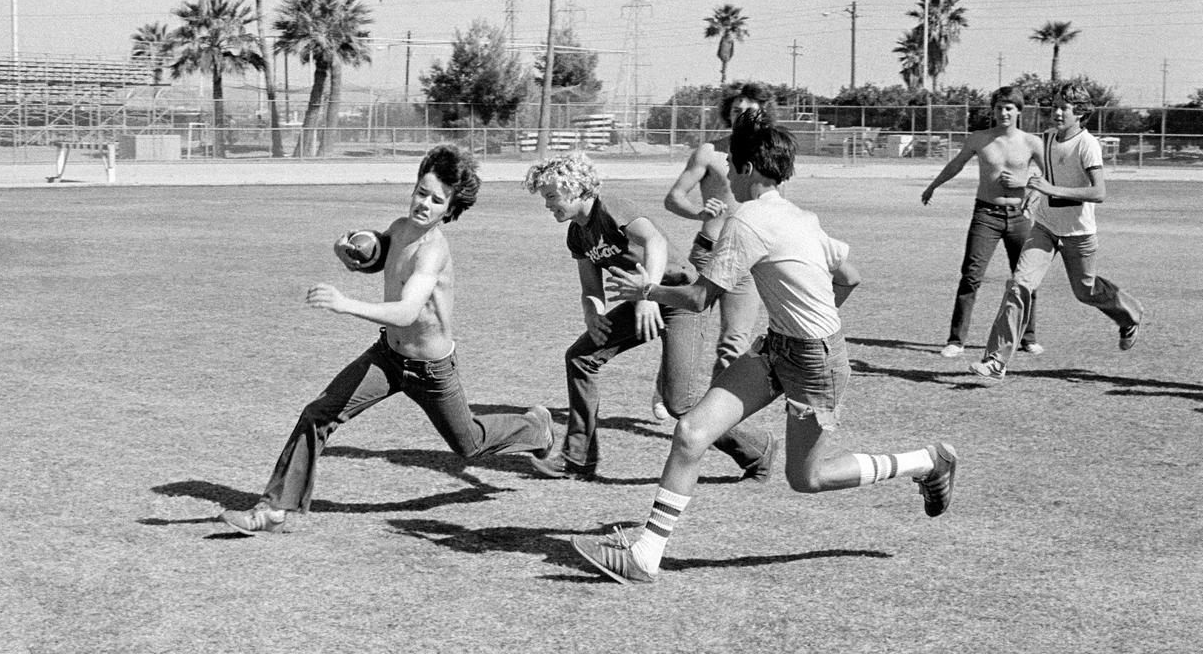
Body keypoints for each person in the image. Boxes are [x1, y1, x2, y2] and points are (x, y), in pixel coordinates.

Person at [570, 111, 958, 584]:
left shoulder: (748, 219)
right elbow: (850, 276)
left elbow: (698, 298)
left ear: (749, 169)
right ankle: (646, 555)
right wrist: (809, 321)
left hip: (814, 363)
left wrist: (645, 292)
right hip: (783, 347)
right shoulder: (800, 215)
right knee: (692, 430)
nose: (726, 174)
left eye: (731, 165)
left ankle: (925, 462)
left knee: (807, 478)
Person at [219, 145, 555, 535]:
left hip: (431, 370)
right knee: (318, 414)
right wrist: (349, 251)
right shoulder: (399, 227)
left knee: (469, 444)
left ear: (450, 208)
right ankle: (274, 509)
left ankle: (536, 430)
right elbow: (377, 257)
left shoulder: (434, 250)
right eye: (421, 191)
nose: (424, 204)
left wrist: (345, 304)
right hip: (388, 358)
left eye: (436, 200)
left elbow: (408, 310)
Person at [522, 152, 775, 482]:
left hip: (679, 297)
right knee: (581, 358)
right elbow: (590, 288)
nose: (547, 205)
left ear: (575, 189)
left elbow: (653, 239)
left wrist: (648, 293)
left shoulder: (610, 206)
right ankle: (577, 458)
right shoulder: (577, 234)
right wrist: (593, 315)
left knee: (678, 403)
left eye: (552, 196)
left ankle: (758, 450)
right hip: (644, 300)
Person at [968, 83, 1144, 381]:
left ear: (1081, 113)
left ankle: (1130, 315)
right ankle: (997, 360)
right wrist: (1033, 192)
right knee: (1019, 284)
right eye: (1056, 106)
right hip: (1046, 227)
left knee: (1085, 291)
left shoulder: (1087, 144)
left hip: (1079, 234)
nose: (1058, 112)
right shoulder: (1048, 138)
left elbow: (1099, 192)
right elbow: (1046, 177)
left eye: (1066, 107)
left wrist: (1050, 188)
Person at [655, 81, 776, 419]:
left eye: (749, 111)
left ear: (762, 114)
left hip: (747, 261)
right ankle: (665, 386)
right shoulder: (709, 152)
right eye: (736, 110)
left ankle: (711, 415)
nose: (742, 116)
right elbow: (673, 197)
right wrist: (698, 213)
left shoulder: (769, 155)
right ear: (728, 114)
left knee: (734, 343)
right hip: (708, 254)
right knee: (685, 329)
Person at [921, 86, 1046, 359]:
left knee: (1024, 279)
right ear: (993, 110)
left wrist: (1025, 184)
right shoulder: (979, 138)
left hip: (1020, 216)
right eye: (1000, 107)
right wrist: (933, 186)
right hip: (985, 215)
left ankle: (1028, 337)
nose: (1004, 112)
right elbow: (955, 164)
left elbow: (1050, 179)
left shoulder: (1031, 142)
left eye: (1009, 108)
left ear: (1019, 112)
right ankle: (956, 340)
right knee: (971, 276)